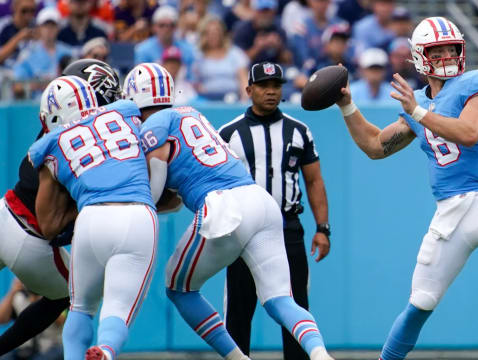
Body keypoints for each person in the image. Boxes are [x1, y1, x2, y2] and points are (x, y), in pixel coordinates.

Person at [334, 16, 478, 360]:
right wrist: (347, 105)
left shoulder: (476, 83)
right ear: (419, 56)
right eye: (436, 50)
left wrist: (419, 113)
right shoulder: (418, 104)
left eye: (450, 48)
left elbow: (469, 134)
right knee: (419, 304)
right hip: (450, 212)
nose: (445, 56)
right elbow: (376, 146)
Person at [125, 62, 334, 360]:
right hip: (261, 203)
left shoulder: (153, 126)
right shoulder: (192, 114)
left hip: (226, 208)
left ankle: (237, 358)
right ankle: (320, 353)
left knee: (178, 286)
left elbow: (155, 187)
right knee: (280, 299)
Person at [28, 75, 157, 360]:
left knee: (80, 307)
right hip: (137, 214)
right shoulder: (126, 109)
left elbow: (48, 224)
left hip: (90, 219)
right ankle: (107, 351)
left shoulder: (47, 144)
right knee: (119, 306)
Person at [0, 58, 123, 357]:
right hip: (32, 238)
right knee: (73, 295)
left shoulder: (55, 126)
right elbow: (53, 223)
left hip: (4, 210)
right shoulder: (87, 134)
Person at [218, 61, 331, 360]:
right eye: (264, 86)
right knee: (239, 311)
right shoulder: (228, 133)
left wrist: (322, 228)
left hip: (287, 227)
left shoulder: (299, 131)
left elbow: (314, 180)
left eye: (276, 86)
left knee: (295, 305)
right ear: (249, 89)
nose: (270, 92)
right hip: (243, 230)